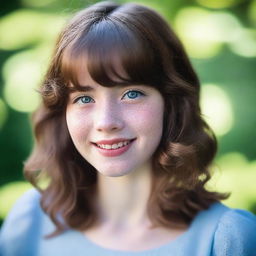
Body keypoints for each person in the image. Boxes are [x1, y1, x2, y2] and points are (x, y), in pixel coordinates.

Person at [0, 1, 256, 255]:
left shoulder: (226, 238)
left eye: (132, 94)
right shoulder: (30, 222)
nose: (106, 122)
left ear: (172, 102)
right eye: (84, 98)